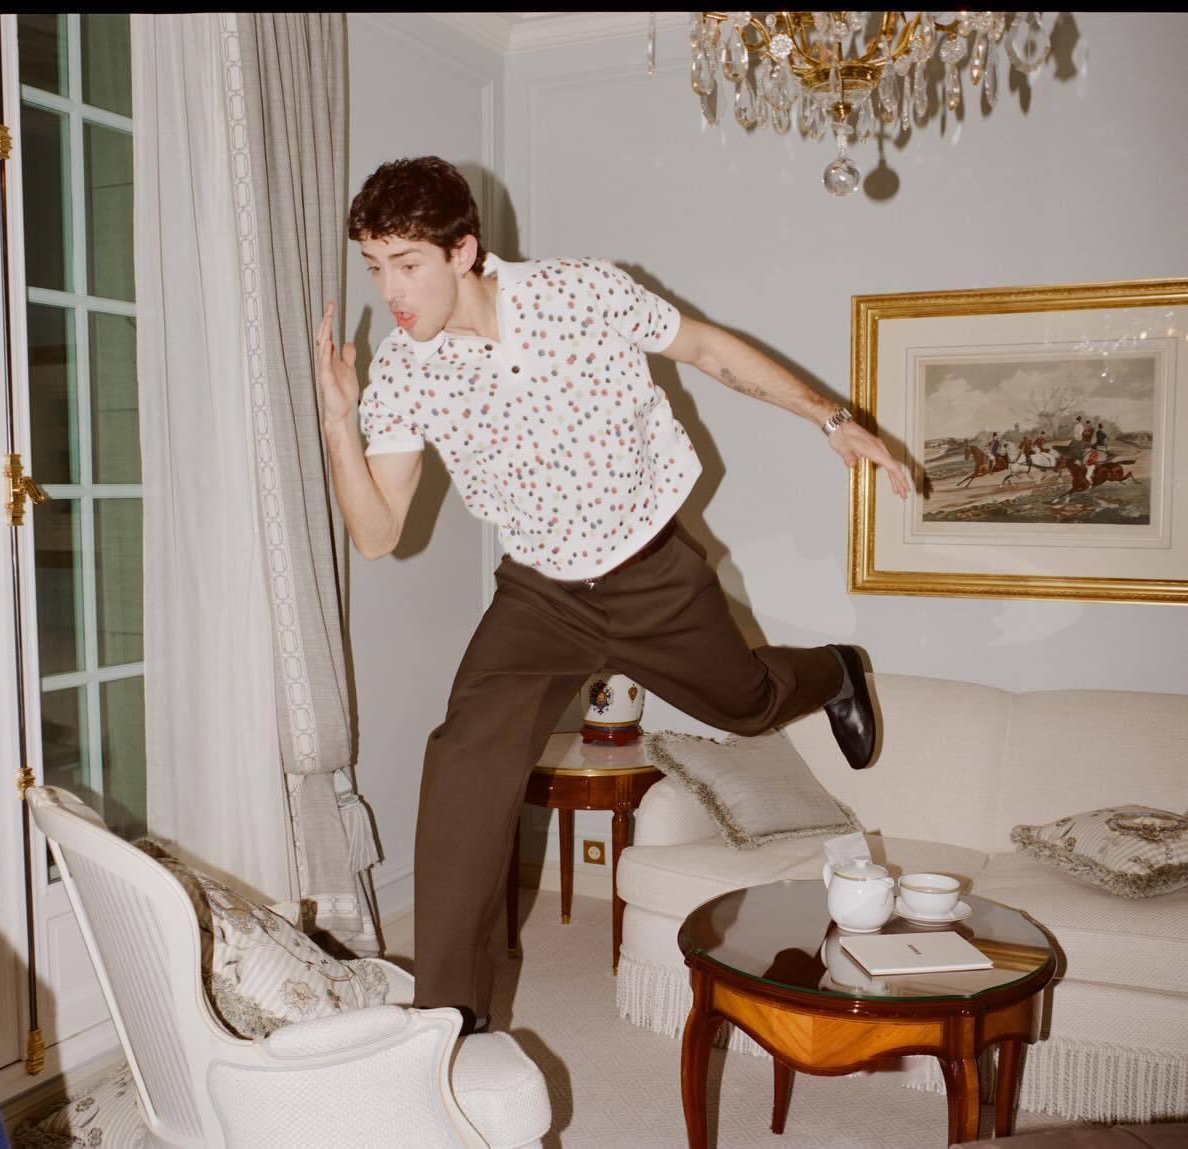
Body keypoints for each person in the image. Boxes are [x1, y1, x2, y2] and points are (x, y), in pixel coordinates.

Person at [314, 156, 911, 1032]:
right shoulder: (407, 372)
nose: (390, 291)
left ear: (463, 250)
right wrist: (338, 421)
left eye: (407, 264)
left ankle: (835, 668)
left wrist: (832, 418)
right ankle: (446, 1025)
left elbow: (707, 349)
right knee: (461, 769)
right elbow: (376, 533)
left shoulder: (579, 293)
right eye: (375, 267)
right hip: (539, 594)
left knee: (746, 704)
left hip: (650, 573)